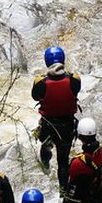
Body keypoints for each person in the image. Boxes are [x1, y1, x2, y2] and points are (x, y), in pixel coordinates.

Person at [31, 46, 81, 189]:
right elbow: (75, 92)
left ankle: (45, 167)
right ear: (63, 60)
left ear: (47, 62)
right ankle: (63, 193)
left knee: (46, 146)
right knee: (63, 162)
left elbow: (35, 97)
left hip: (48, 125)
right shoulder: (74, 79)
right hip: (67, 125)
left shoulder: (40, 82)